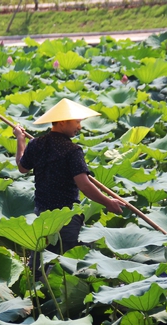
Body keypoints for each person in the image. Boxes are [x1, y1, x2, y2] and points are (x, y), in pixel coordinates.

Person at [12, 98, 124, 257]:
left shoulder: (36, 144)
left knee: (41, 262)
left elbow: (22, 167)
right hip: (67, 216)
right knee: (71, 263)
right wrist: (108, 202)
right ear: (62, 122)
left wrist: (20, 140)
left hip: (42, 215)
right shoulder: (72, 150)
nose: (80, 127)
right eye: (77, 122)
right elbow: (84, 185)